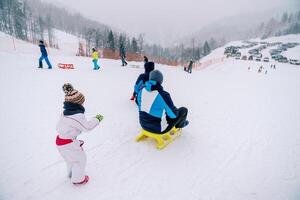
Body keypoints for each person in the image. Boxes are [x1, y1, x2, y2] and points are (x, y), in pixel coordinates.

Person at [56, 83, 103, 185]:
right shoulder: (76, 116)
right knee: (79, 160)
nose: (83, 104)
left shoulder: (66, 113)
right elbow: (87, 127)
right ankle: (78, 179)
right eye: (82, 102)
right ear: (77, 104)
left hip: (60, 140)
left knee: (70, 159)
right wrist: (97, 119)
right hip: (68, 143)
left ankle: (71, 173)